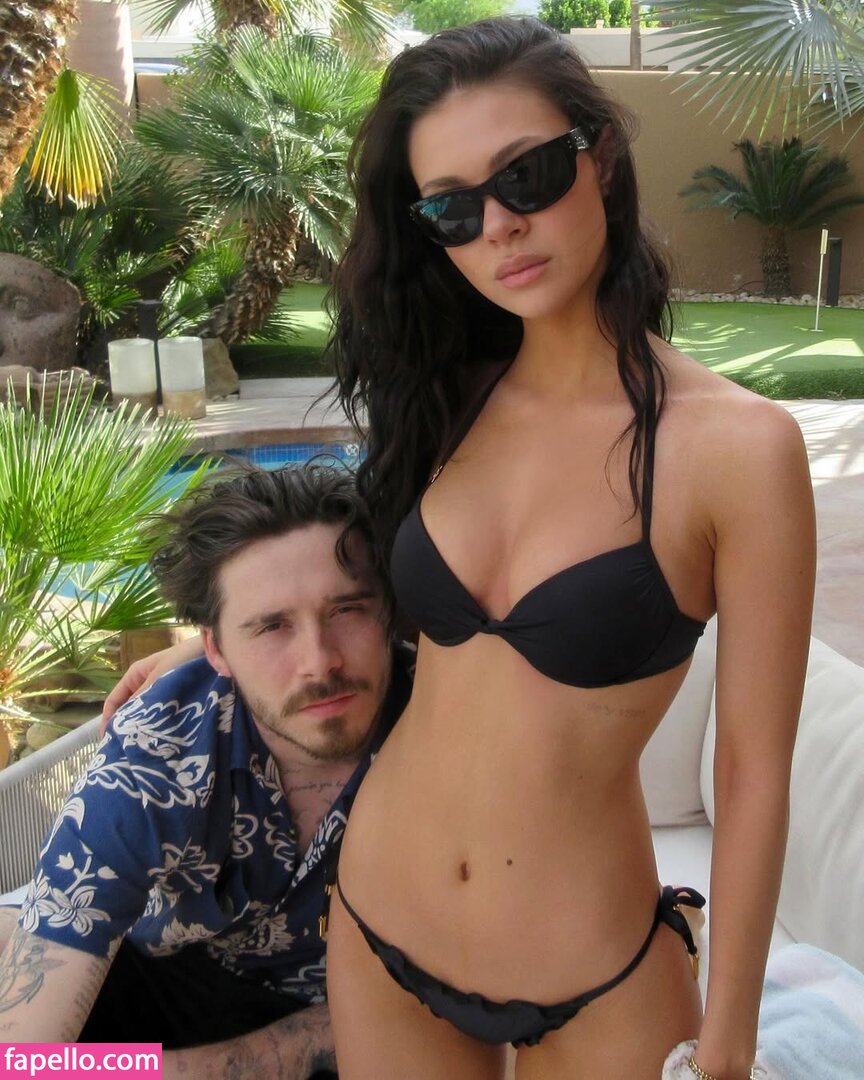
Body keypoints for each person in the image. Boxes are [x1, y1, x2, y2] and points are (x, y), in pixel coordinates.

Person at [318, 17, 815, 1080]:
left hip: (598, 972)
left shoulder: (737, 449)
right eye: (453, 208)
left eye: (528, 175)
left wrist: (728, 1039)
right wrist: (200, 656)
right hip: (378, 919)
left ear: (603, 156)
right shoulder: (448, 396)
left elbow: (751, 769)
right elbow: (368, 592)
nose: (499, 225)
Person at [0, 464, 410, 1079]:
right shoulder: (156, 756)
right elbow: (28, 1060)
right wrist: (252, 1058)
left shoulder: (446, 728)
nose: (319, 661)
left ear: (392, 612)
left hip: (367, 1016)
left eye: (347, 609)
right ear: (216, 648)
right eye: (271, 626)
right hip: (169, 979)